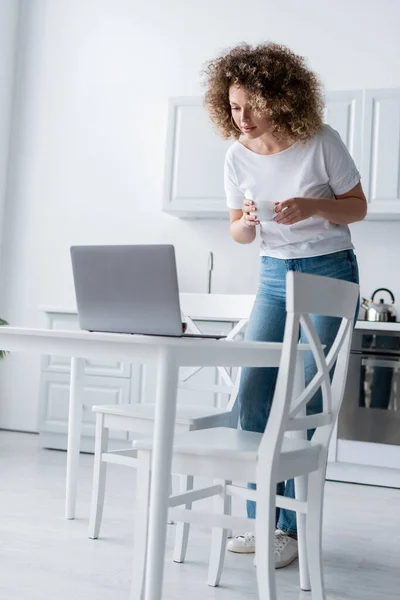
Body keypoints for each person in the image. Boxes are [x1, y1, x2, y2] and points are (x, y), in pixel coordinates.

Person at [202, 42, 366, 569]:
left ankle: (289, 530)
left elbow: (357, 207)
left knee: (307, 403)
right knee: (254, 395)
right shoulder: (234, 155)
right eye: (233, 106)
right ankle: (263, 520)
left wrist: (311, 206)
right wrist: (248, 222)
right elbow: (238, 233)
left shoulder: (321, 142)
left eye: (253, 104)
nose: (242, 117)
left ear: (281, 98)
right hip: (273, 274)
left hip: (329, 269)